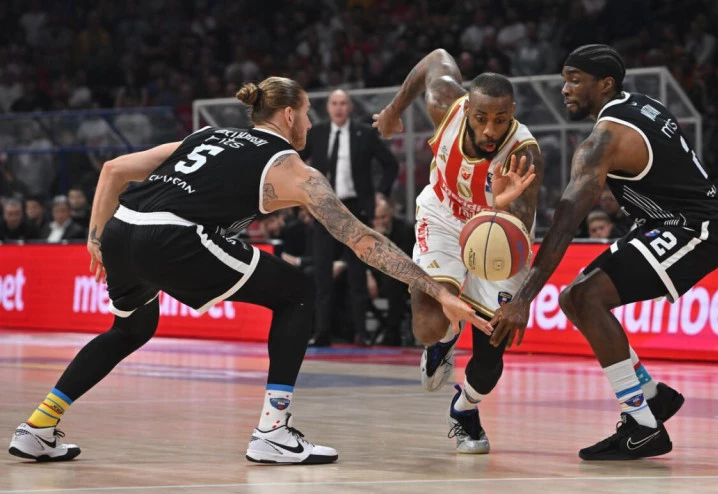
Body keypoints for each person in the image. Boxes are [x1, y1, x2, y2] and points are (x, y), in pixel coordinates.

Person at [8, 77, 491, 465]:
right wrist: (435, 289)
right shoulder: (291, 168)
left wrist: (96, 240)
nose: (310, 123)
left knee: (130, 329)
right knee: (299, 292)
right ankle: (273, 431)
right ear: (288, 115)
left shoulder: (206, 135)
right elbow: (362, 239)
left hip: (123, 229)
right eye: (308, 113)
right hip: (174, 237)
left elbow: (114, 169)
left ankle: (38, 427)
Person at [489, 44, 718, 460]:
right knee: (573, 298)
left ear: (605, 84)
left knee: (586, 298)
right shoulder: (641, 104)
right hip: (666, 222)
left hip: (694, 228)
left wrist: (523, 299)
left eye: (575, 80)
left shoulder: (604, 140)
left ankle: (643, 426)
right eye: (564, 79)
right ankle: (651, 396)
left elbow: (566, 222)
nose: (565, 89)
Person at [373, 49, 542, 453]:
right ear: (467, 109)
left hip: (499, 233)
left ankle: (465, 408)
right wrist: (394, 110)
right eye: (481, 118)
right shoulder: (444, 103)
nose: (490, 130)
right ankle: (444, 341)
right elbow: (436, 58)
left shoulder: (524, 153)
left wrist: (501, 206)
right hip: (444, 215)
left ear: (512, 113)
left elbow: (521, 221)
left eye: (501, 119)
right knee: (426, 326)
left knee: (492, 351)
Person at [301, 89, 400, 346]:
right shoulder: (317, 132)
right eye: (334, 103)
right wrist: (303, 193)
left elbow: (390, 164)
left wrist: (379, 194)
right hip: (324, 207)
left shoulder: (364, 133)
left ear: (350, 107)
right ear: (328, 107)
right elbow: (296, 161)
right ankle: (321, 332)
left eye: (343, 103)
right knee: (322, 273)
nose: (339, 108)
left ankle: (362, 334)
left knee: (357, 274)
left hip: (356, 208)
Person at [367, 196, 415, 346]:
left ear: (391, 214)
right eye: (376, 218)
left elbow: (402, 262)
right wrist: (368, 275)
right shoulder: (367, 230)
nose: (380, 221)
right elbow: (362, 259)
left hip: (401, 276)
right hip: (376, 275)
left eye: (383, 217)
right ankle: (352, 331)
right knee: (353, 281)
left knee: (394, 281)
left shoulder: (405, 229)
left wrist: (382, 239)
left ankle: (391, 333)